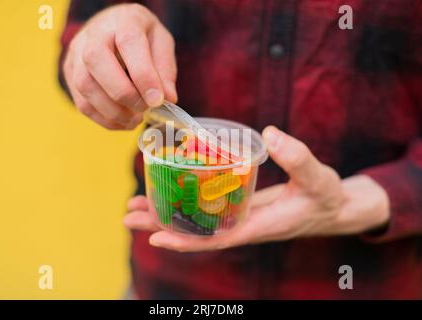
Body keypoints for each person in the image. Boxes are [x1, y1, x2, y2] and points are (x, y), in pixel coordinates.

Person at [59, 0, 422, 299]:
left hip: (367, 282)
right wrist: (100, 36)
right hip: (170, 288)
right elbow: (83, 30)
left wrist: (360, 201)